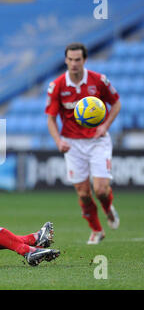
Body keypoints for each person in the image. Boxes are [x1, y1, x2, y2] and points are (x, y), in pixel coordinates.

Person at [45, 42, 121, 245]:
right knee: (83, 193)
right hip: (72, 144)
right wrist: (58, 140)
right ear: (65, 60)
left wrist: (105, 126)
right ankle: (97, 230)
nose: (74, 63)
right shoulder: (57, 86)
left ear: (84, 60)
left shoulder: (99, 81)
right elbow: (51, 118)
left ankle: (108, 208)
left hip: (98, 141)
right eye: (70, 59)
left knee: (101, 190)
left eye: (78, 59)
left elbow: (116, 103)